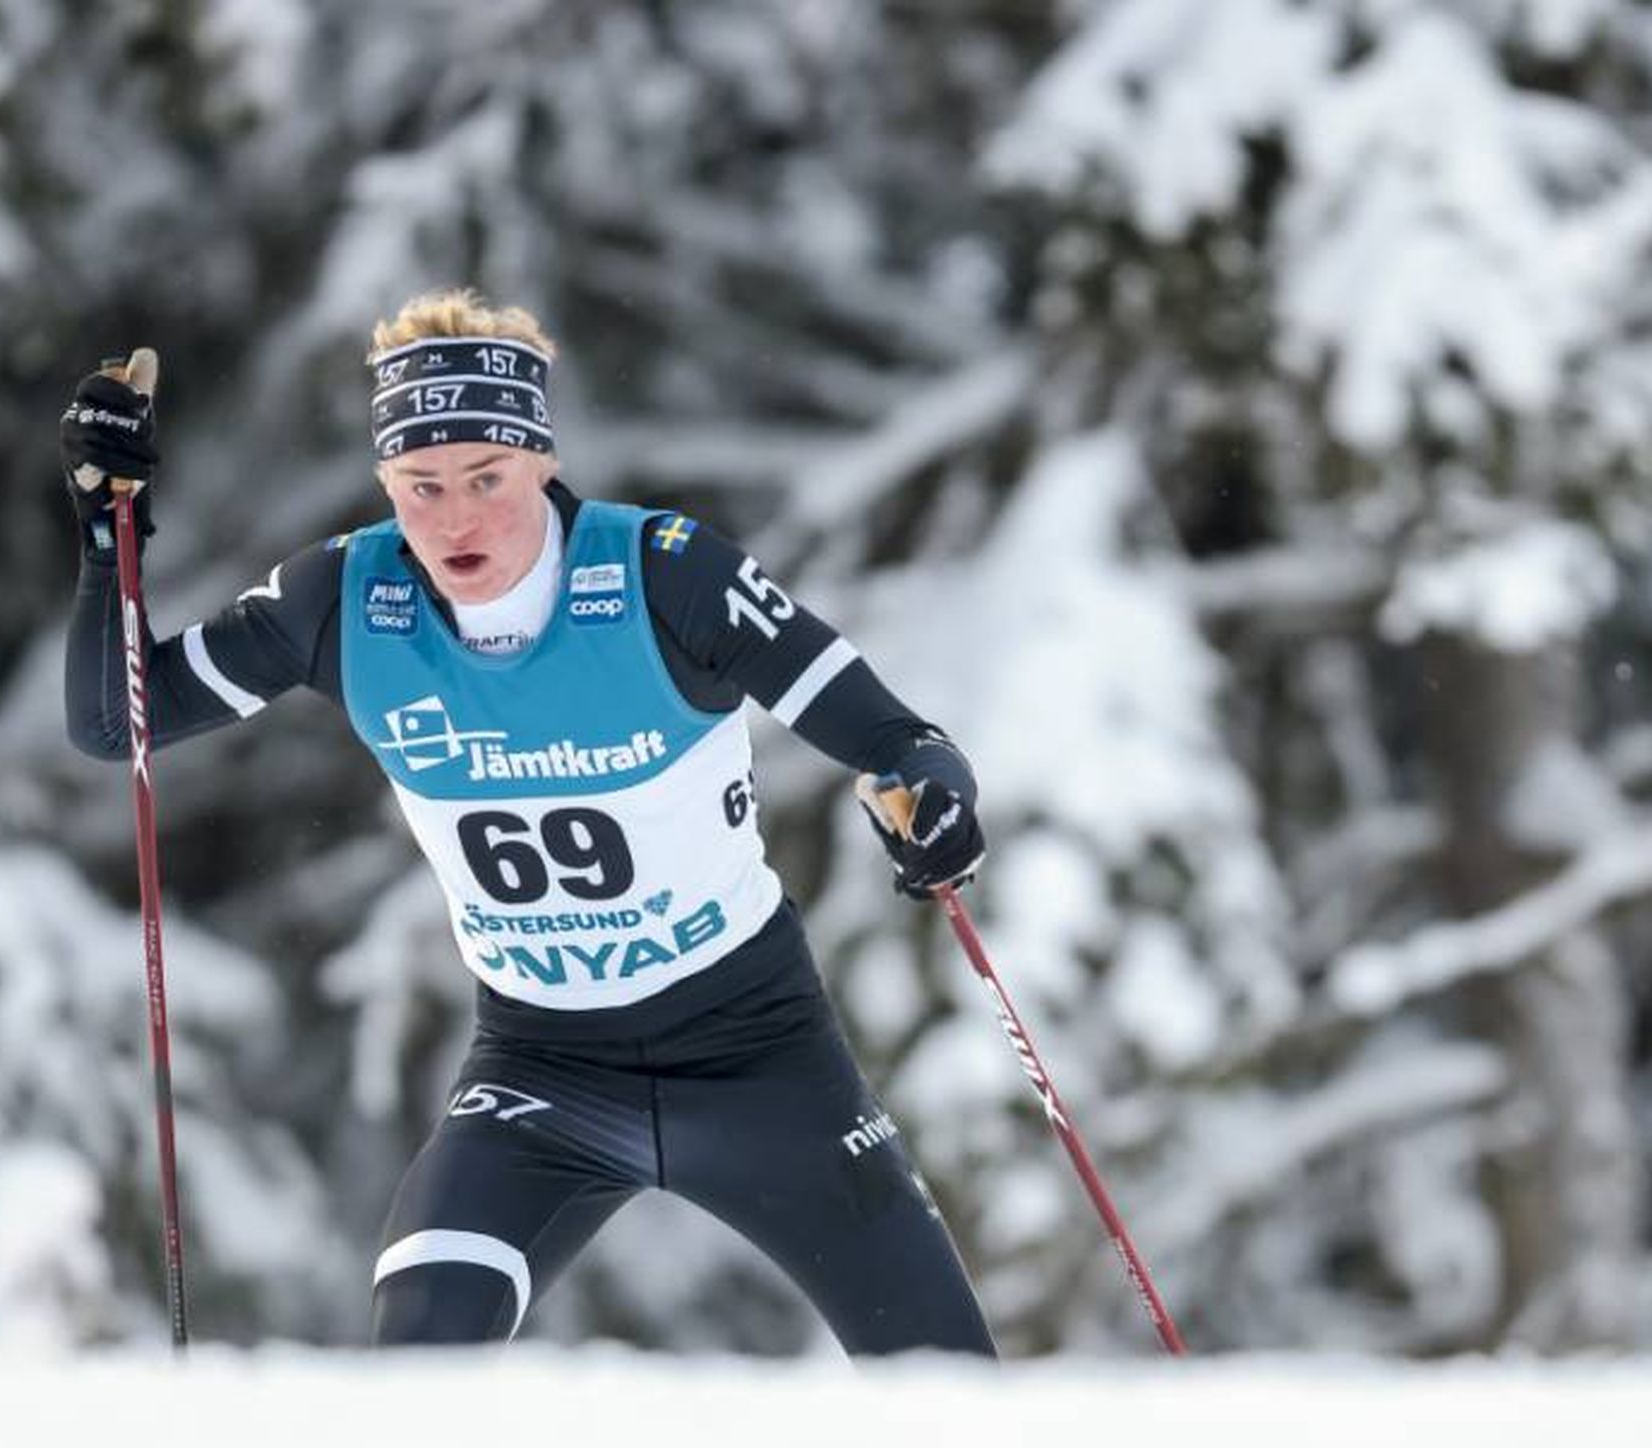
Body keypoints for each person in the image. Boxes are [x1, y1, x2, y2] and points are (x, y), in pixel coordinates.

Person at [59, 288, 997, 1357]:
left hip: (760, 1055)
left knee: (950, 1382)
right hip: (541, 1072)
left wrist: (934, 803)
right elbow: (110, 722)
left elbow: (899, 739)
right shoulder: (347, 602)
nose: (455, 520)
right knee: (417, 1350)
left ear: (543, 461)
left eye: (486, 480)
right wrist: (107, 533)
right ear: (385, 485)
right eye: (420, 486)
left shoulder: (664, 574)